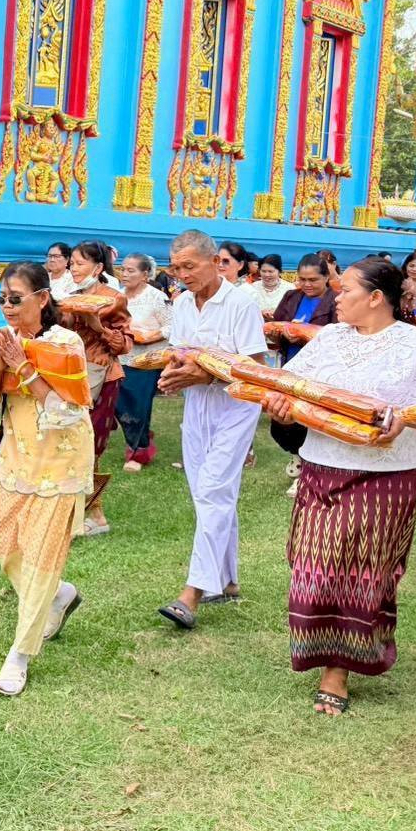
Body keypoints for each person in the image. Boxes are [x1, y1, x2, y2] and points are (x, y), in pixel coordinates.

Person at [266, 258, 416, 716]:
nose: (335, 297)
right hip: (321, 464)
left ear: (376, 297)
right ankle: (319, 650)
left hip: (386, 476)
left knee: (364, 573)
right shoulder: (329, 338)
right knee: (311, 566)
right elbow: (295, 386)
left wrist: (405, 420)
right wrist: (282, 405)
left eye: (345, 289)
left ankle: (339, 669)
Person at [0, 261, 90, 696]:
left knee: (40, 556)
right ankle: (59, 595)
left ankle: (19, 654)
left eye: (15, 298)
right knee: (1, 535)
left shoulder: (66, 342)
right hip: (16, 457)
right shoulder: (3, 341)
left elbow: (68, 410)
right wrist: (0, 366)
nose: (7, 306)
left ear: (42, 298)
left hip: (61, 463)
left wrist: (23, 366)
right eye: (2, 299)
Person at [155, 230, 268, 629]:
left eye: (190, 266)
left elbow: (255, 367)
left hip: (236, 406)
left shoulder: (240, 303)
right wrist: (172, 374)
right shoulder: (183, 303)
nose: (182, 274)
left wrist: (204, 376)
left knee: (214, 488)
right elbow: (180, 352)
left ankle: (193, 592)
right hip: (197, 405)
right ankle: (228, 580)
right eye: (177, 267)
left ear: (214, 262)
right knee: (206, 489)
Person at [64, 241, 132, 534]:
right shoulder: (67, 297)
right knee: (69, 441)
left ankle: (96, 514)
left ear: (98, 267)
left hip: (102, 376)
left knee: (90, 446)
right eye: (72, 264)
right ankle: (77, 511)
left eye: (79, 263)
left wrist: (97, 326)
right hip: (70, 376)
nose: (73, 269)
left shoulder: (113, 299)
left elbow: (124, 344)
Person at [116, 252, 171, 472]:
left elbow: (173, 326)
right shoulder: (118, 297)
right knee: (119, 404)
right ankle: (140, 435)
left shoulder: (157, 297)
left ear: (145, 274)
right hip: (121, 358)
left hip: (147, 360)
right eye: (123, 269)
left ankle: (138, 452)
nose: (125, 274)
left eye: (131, 270)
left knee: (138, 404)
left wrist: (148, 336)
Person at [272, 254, 337, 363]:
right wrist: (277, 336)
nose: (307, 284)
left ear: (326, 277)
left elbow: (338, 339)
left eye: (313, 280)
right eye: (302, 279)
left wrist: (303, 337)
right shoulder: (291, 296)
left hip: (319, 365)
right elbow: (277, 324)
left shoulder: (336, 301)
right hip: (289, 362)